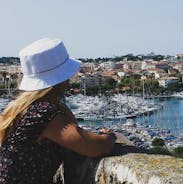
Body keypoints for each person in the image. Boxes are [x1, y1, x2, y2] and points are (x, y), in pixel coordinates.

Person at [0, 38, 116, 184]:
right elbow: (96, 147)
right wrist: (110, 136)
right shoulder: (43, 113)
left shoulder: (20, 108)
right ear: (62, 79)